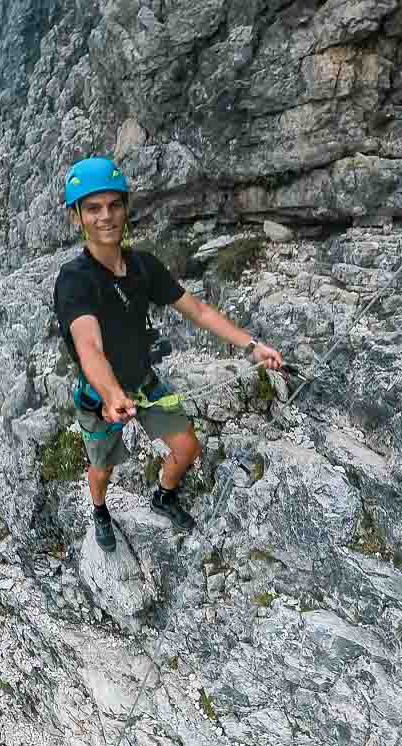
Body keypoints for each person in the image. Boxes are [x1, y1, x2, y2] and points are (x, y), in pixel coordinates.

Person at [54, 156, 283, 552]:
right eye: (93, 208)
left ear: (126, 209)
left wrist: (251, 345)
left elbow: (197, 310)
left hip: (143, 383)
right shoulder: (75, 280)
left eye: (114, 205)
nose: (105, 216)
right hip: (102, 399)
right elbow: (87, 344)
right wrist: (111, 394)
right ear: (77, 218)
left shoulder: (144, 267)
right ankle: (100, 510)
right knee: (102, 468)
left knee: (187, 448)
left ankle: (163, 496)